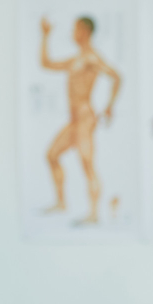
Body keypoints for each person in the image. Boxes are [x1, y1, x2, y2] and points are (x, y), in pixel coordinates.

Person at [40, 16, 121, 225]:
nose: (72, 34)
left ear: (84, 31)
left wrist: (110, 106)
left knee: (87, 164)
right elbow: (46, 63)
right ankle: (61, 202)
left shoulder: (92, 58)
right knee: (51, 155)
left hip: (85, 118)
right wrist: (45, 36)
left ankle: (93, 214)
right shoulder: (76, 59)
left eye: (75, 29)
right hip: (74, 120)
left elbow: (116, 76)